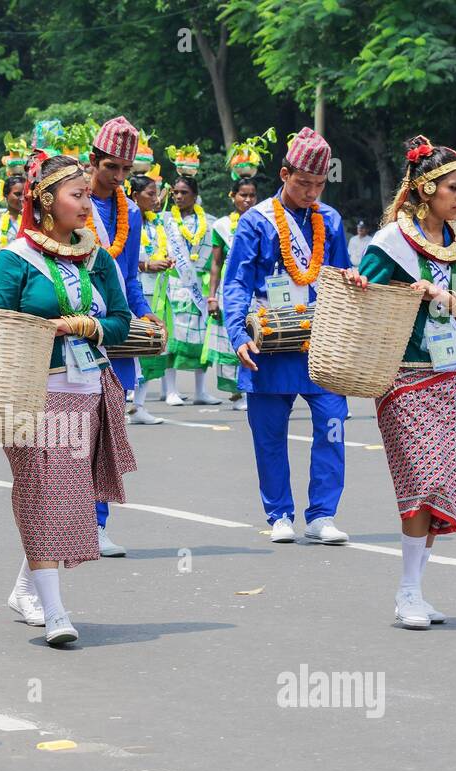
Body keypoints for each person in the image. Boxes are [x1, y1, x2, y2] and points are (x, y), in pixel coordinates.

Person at [0, 151, 137, 644]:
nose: (88, 205)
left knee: (65, 497)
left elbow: (121, 321)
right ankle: (57, 611)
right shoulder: (14, 259)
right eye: (78, 195)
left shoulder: (97, 257)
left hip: (88, 391)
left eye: (88, 195)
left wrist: (90, 325)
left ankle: (26, 589)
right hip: (32, 395)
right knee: (46, 493)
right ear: (46, 201)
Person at [345, 136, 456, 628]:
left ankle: (415, 587)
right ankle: (407, 592)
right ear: (426, 189)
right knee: (424, 481)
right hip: (405, 378)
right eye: (453, 187)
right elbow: (362, 299)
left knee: (443, 486)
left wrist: (445, 298)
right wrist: (361, 285)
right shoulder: (390, 245)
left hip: (455, 375)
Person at [222, 127, 352, 545]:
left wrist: (353, 278)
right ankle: (279, 513)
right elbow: (236, 283)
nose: (311, 192)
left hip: (322, 341)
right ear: (284, 174)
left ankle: (323, 514)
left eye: (318, 184)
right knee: (270, 434)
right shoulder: (255, 221)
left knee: (332, 424)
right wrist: (236, 335)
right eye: (303, 183)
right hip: (271, 342)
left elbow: (341, 273)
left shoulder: (330, 220)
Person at [85, 116, 161, 556]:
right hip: (74, 332)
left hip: (115, 332)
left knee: (106, 437)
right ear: (93, 161)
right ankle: (64, 521)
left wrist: (147, 314)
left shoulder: (130, 211)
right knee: (72, 436)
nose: (117, 178)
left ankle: (97, 523)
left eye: (125, 171)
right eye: (111, 167)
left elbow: (128, 278)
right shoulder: (69, 202)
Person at [161, 171, 219, 405]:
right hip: (174, 283)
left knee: (200, 339)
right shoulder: (165, 220)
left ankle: (200, 391)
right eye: (175, 192)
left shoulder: (210, 222)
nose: (178, 196)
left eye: (184, 192)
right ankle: (171, 390)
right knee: (172, 337)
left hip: (199, 286)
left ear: (195, 196)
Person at [209, 175, 259, 409]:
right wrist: (212, 296)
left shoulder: (263, 221)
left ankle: (251, 388)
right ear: (233, 197)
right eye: (243, 195)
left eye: (252, 195)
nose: (247, 200)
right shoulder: (220, 226)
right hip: (230, 288)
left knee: (255, 334)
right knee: (232, 336)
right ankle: (237, 392)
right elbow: (216, 263)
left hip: (254, 288)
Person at [132, 172, 174, 408]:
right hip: (136, 291)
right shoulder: (127, 219)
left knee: (150, 345)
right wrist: (147, 265)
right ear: (135, 196)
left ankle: (139, 405)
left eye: (157, 193)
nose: (156, 199)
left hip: (157, 290)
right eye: (151, 194)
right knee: (137, 345)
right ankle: (134, 404)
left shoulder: (156, 222)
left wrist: (165, 261)